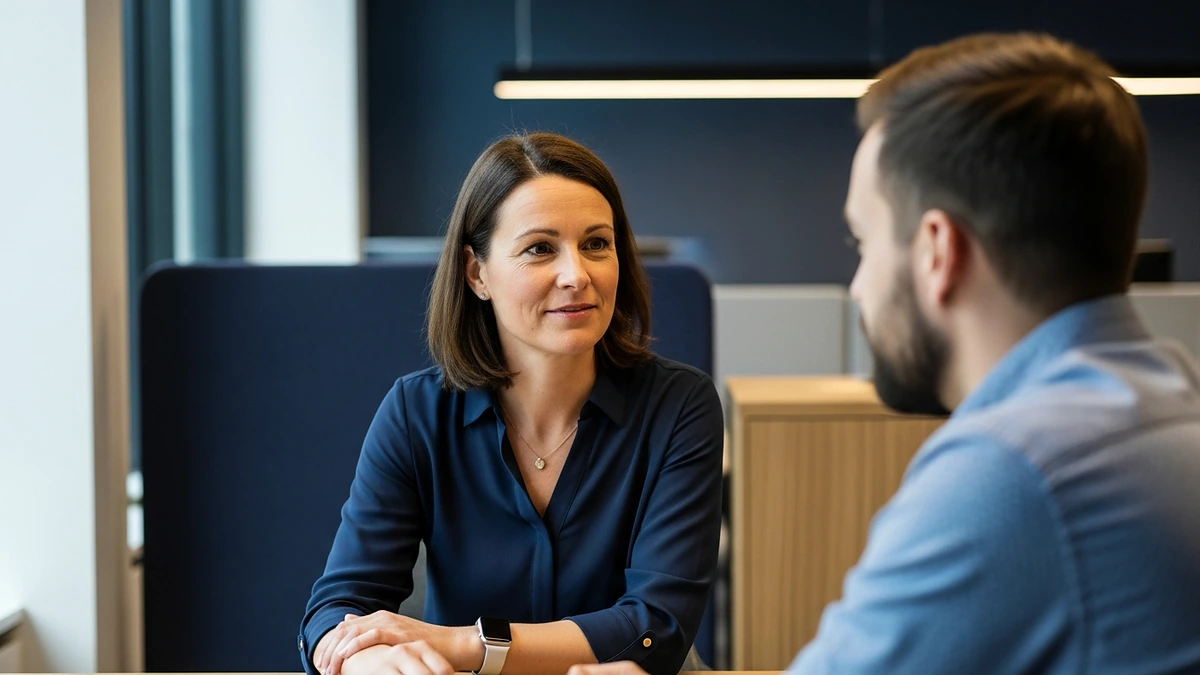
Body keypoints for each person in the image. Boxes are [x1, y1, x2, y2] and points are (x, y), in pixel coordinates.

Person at [571, 32, 1200, 675]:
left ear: (936, 251)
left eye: (863, 243)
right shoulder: (1170, 403)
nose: (858, 288)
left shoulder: (1013, 474)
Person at [298, 132, 724, 675]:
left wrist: (463, 646)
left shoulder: (678, 406)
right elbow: (335, 612)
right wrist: (371, 661)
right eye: (540, 249)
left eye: (597, 243)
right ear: (477, 274)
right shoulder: (417, 413)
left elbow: (655, 629)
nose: (577, 275)